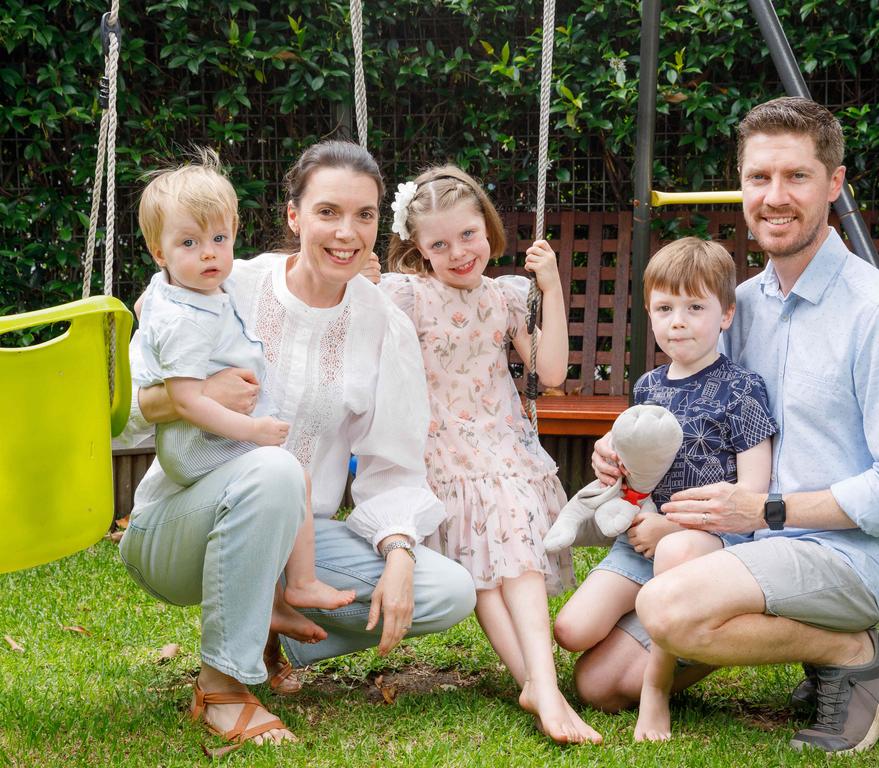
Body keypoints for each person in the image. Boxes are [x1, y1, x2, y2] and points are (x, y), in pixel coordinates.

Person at [587, 97, 879, 754]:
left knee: (665, 609)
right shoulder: (739, 306)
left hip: (845, 557)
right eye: (758, 178)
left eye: (796, 177)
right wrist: (622, 450)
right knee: (602, 681)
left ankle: (852, 650)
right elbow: (689, 410)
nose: (774, 197)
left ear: (834, 184)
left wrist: (765, 508)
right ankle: (797, 638)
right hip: (745, 546)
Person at [116, 141, 477, 749]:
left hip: (300, 546)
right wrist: (196, 392)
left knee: (446, 592)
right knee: (276, 468)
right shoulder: (224, 282)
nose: (347, 233)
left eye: (364, 216)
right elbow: (125, 413)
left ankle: (264, 624)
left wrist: (399, 554)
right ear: (294, 217)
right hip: (179, 532)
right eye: (328, 212)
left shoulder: (382, 322)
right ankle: (222, 688)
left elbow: (393, 465)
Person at [378, 166, 601, 745]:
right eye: (439, 244)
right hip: (439, 450)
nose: (458, 253)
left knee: (505, 552)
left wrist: (550, 287)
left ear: (489, 228)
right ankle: (541, 686)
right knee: (485, 563)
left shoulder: (504, 295)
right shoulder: (404, 295)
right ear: (418, 249)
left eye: (469, 235)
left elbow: (550, 374)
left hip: (503, 443)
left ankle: (535, 683)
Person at [550, 237, 776, 742]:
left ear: (725, 315)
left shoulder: (743, 388)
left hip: (709, 543)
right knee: (572, 631)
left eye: (696, 307)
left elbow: (753, 495)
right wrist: (607, 453)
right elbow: (636, 450)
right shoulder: (650, 386)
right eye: (666, 307)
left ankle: (655, 691)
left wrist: (671, 526)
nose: (679, 320)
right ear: (651, 314)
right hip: (643, 538)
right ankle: (649, 615)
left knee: (673, 551)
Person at [134, 150, 355, 615]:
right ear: (160, 254)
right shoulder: (184, 317)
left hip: (209, 439)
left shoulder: (199, 287)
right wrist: (253, 432)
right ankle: (296, 586)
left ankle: (293, 586)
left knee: (297, 477)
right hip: (199, 445)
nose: (210, 253)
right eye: (189, 244)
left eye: (219, 237)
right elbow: (187, 401)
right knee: (285, 470)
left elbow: (273, 267)